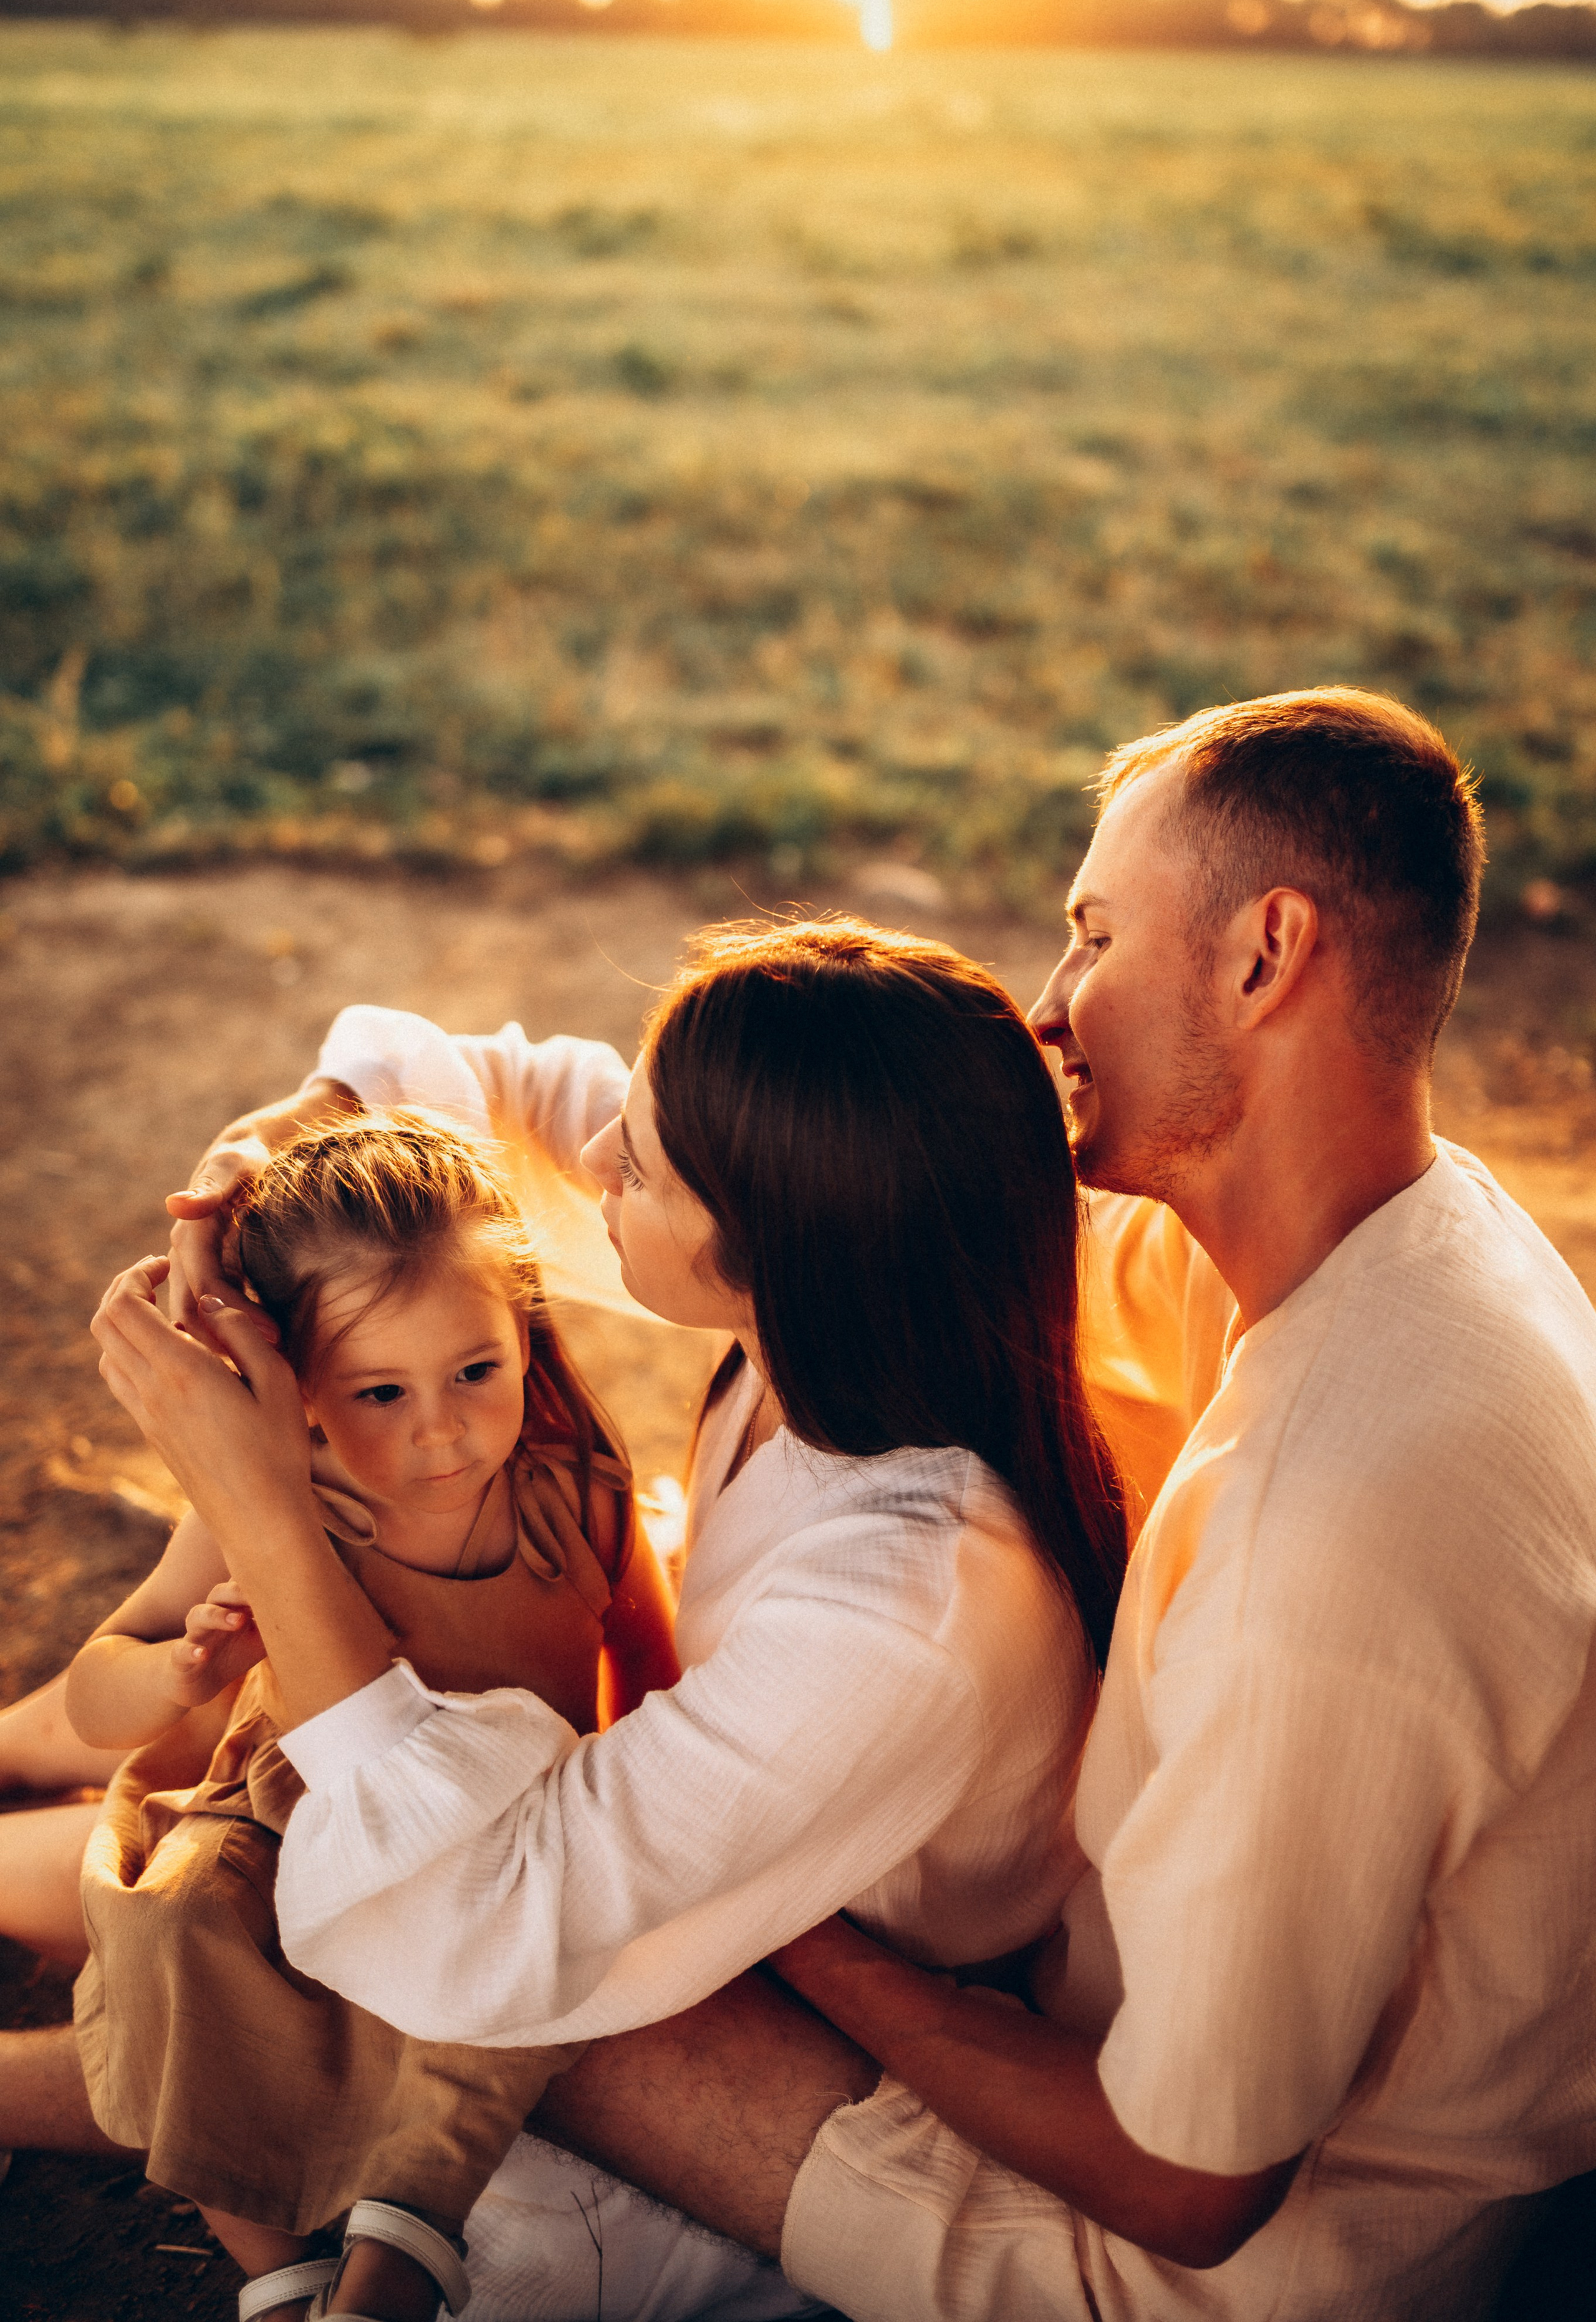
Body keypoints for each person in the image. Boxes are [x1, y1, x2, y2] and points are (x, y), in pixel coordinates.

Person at [127, 684, 1596, 2322]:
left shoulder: (1321, 1538)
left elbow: (1190, 2188)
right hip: (1052, 1961)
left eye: (1094, 936)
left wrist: (791, 1938)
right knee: (276, 1848)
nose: (1047, 1007)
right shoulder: (1354, 1237)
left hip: (1214, 2262)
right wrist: (311, 1139)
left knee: (332, 1931)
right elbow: (604, 1138)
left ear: (1263, 956)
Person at [82, 919, 1129, 2313]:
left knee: (261, 1987)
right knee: (191, 1883)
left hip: (772, 1997)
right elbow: (471, 1093)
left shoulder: (905, 1607)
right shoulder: (849, 1323)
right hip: (627, 1849)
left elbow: (473, 1926)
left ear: (769, 1242)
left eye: (635, 1165)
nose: (587, 1169)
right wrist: (300, 1131)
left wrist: (267, 1506)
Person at [67, 1113, 677, 2322]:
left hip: (495, 1844)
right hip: (289, 1843)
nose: (441, 1428)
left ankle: (396, 2257)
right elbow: (99, 1685)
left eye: (475, 1369)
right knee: (170, 1932)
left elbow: (653, 1682)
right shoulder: (278, 1498)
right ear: (291, 1387)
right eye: (378, 1391)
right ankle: (280, 2271)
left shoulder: (578, 1488)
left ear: (523, 1329)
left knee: (528, 1945)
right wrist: (180, 1672)